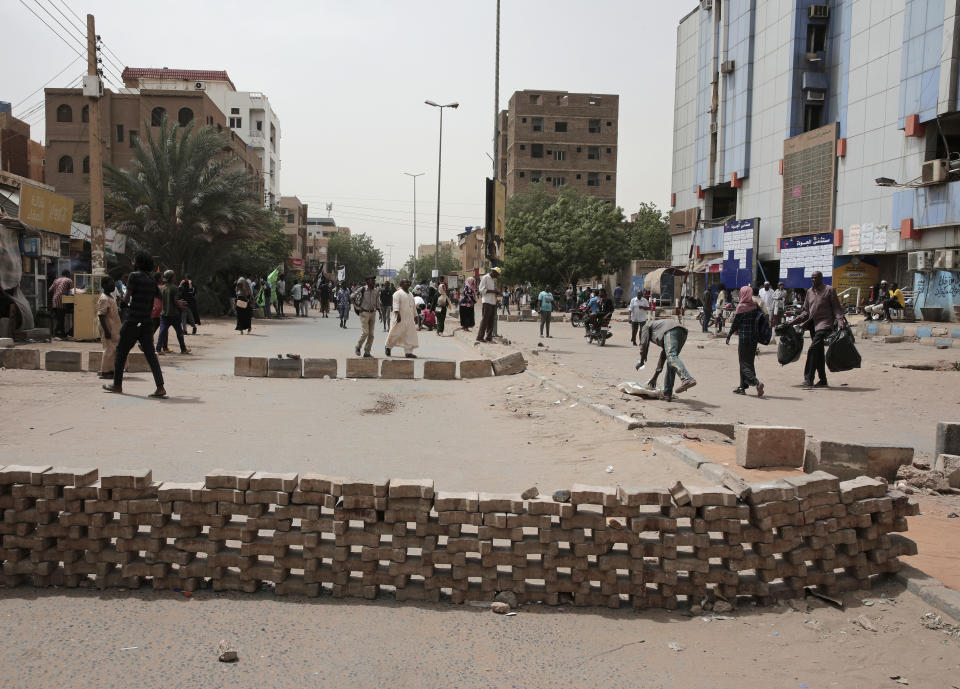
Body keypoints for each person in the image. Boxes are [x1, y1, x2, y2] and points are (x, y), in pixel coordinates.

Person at [103, 253, 166, 398]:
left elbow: (127, 298)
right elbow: (159, 295)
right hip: (146, 322)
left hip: (133, 321)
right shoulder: (151, 279)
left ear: (138, 263)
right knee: (150, 355)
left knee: (121, 351)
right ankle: (160, 387)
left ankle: (117, 384)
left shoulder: (134, 276)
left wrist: (123, 302)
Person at [792, 270, 845, 388]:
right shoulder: (809, 292)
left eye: (816, 278)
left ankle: (808, 379)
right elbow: (806, 311)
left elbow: (836, 308)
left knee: (812, 349)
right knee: (819, 352)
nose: (813, 280)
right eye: (812, 278)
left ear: (821, 278)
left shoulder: (829, 290)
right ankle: (823, 380)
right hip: (812, 325)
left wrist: (840, 321)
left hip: (825, 325)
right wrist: (793, 322)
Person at [636, 317, 697, 402]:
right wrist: (655, 377)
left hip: (671, 330)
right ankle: (667, 394)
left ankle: (687, 379)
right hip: (682, 333)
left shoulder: (645, 327)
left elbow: (643, 344)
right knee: (671, 362)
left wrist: (641, 361)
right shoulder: (658, 330)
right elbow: (663, 356)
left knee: (671, 356)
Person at [726, 286, 765, 397]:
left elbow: (735, 324)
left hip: (744, 339)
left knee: (743, 364)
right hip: (754, 340)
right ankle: (742, 387)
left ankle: (757, 383)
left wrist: (728, 335)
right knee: (749, 363)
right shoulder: (755, 306)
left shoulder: (741, 307)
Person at [156, 270, 190, 355]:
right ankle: (183, 349)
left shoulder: (162, 287)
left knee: (162, 331)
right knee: (179, 332)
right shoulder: (174, 288)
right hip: (174, 314)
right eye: (174, 276)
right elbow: (175, 302)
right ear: (171, 277)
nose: (175, 277)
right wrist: (181, 306)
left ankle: (158, 349)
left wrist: (179, 302)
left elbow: (165, 300)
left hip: (164, 314)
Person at [385, 277, 419, 358]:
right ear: (401, 284)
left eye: (408, 282)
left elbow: (413, 306)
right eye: (405, 282)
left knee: (409, 335)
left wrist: (416, 316)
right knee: (395, 333)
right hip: (399, 318)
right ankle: (388, 347)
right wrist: (398, 315)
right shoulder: (397, 293)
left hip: (409, 318)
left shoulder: (410, 294)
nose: (408, 283)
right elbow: (395, 304)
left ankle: (408, 352)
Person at [96, 276, 121, 380]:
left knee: (113, 349)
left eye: (113, 283)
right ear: (104, 285)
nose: (113, 285)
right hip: (107, 328)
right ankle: (105, 371)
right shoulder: (104, 298)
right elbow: (101, 315)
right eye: (110, 283)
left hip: (113, 327)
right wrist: (106, 331)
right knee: (108, 350)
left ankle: (111, 370)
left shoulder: (110, 297)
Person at [353, 276, 379, 357]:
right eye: (372, 281)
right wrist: (356, 306)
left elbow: (377, 301)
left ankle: (367, 352)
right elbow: (352, 296)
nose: (374, 282)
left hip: (373, 313)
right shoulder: (362, 289)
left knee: (371, 334)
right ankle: (358, 346)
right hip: (364, 312)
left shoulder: (376, 290)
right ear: (367, 282)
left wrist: (380, 312)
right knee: (366, 332)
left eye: (374, 281)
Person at [476, 267, 500, 342]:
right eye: (497, 275)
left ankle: (489, 337)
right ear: (493, 272)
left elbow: (493, 290)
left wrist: (496, 292)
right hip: (486, 301)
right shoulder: (485, 277)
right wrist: (493, 291)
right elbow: (481, 289)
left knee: (491, 321)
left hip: (492, 302)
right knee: (485, 320)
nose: (497, 276)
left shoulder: (493, 279)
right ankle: (480, 337)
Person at [48, 269, 73, 339]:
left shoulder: (56, 280)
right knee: (61, 318)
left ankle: (62, 333)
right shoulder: (69, 280)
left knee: (59, 318)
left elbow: (50, 290)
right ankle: (56, 334)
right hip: (61, 301)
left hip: (54, 301)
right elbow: (71, 292)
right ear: (68, 274)